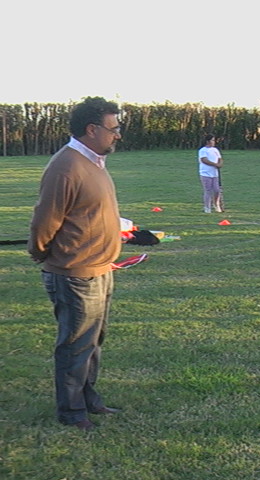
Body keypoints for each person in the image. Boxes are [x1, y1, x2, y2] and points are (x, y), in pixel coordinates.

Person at [28, 97, 123, 431]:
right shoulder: (66, 166)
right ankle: (71, 411)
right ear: (91, 129)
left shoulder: (94, 162)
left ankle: (87, 397)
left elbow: (91, 212)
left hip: (101, 269)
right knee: (76, 343)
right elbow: (44, 221)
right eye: (113, 129)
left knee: (94, 341)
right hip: (75, 274)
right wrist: (43, 254)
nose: (117, 135)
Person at [198, 134, 224, 213]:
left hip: (214, 173)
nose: (214, 142)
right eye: (212, 140)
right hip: (206, 173)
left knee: (217, 190)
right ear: (208, 141)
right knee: (208, 190)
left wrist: (220, 164)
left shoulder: (215, 150)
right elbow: (204, 160)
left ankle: (216, 204)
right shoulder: (203, 150)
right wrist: (215, 164)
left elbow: (220, 158)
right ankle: (207, 207)